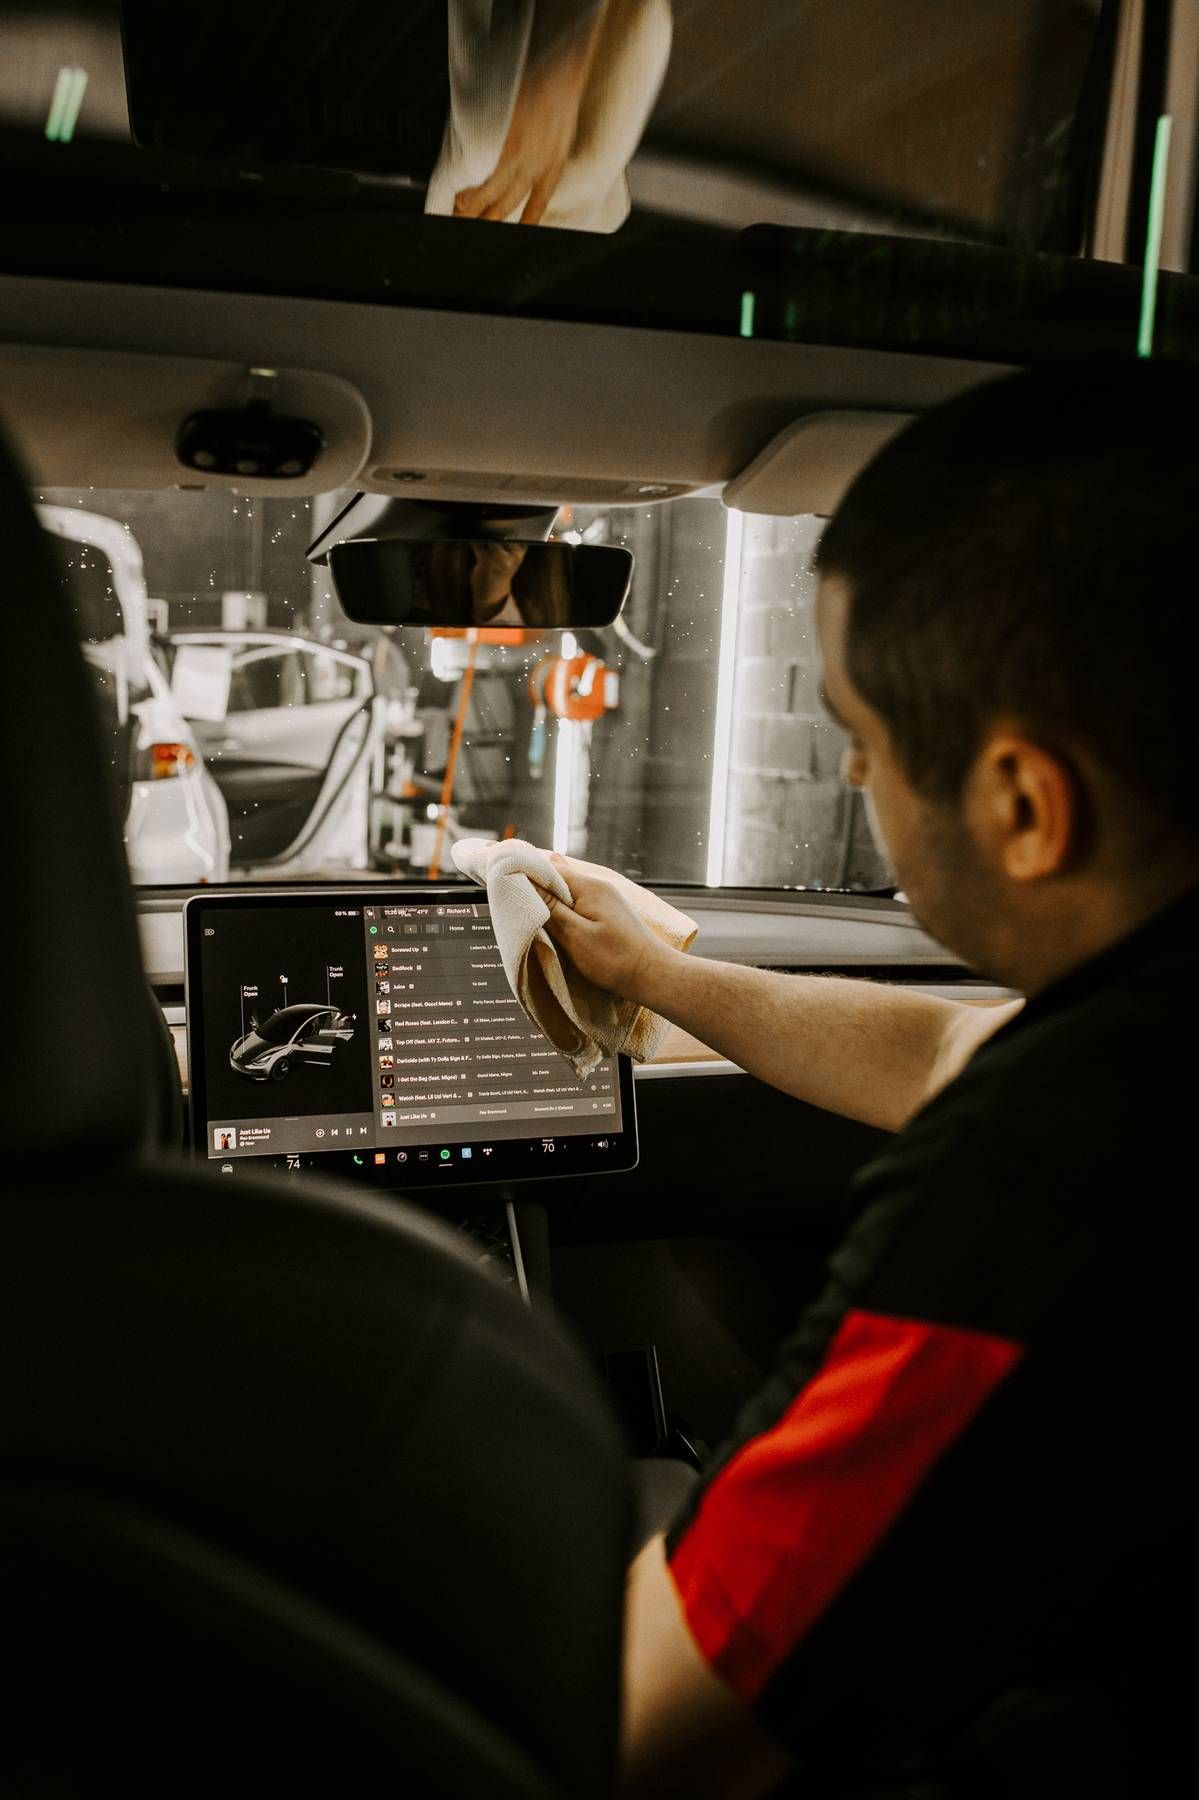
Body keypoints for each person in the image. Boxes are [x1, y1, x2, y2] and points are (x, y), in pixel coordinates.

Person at [541, 357, 1198, 1797]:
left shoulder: (1053, 1177)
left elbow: (662, 1718)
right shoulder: (1140, 1051)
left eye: (863, 740)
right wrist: (663, 979)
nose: (854, 783)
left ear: (1024, 806)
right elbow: (946, 1048)